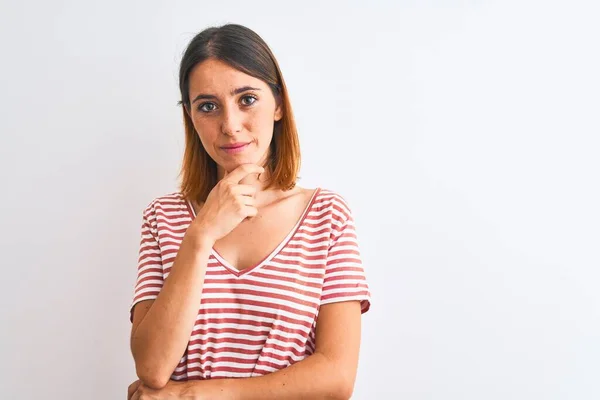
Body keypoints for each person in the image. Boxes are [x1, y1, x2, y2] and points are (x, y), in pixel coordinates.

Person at [127, 23, 371, 400]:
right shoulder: (164, 217)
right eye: (207, 106)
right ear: (190, 117)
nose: (230, 125)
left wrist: (198, 395)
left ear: (277, 104)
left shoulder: (327, 216)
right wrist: (201, 234)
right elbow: (153, 368)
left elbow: (337, 377)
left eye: (247, 99)